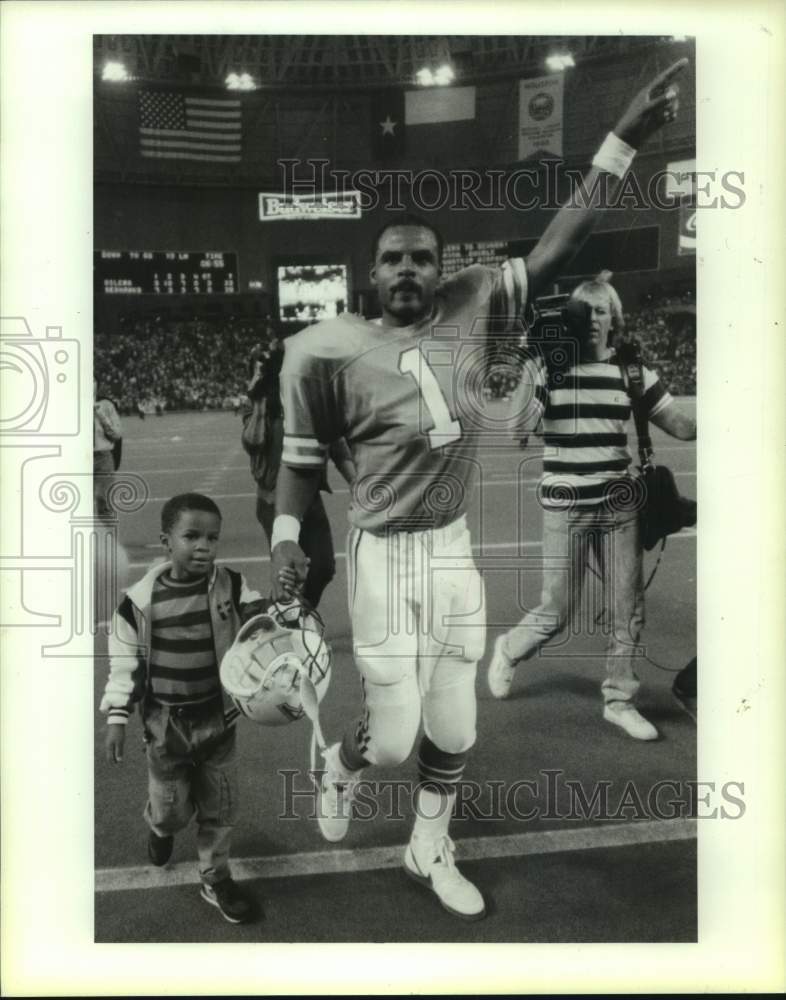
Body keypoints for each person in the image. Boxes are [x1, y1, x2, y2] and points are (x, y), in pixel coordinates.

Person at [271, 60, 687, 920]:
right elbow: (303, 463)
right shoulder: (322, 350)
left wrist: (625, 139)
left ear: (439, 265)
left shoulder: (473, 301)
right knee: (389, 739)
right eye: (394, 258)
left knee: (456, 727)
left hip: (451, 547)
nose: (411, 269)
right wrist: (282, 538)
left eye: (423, 256)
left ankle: (430, 845)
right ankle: (340, 765)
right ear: (370, 270)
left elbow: (560, 247)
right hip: (381, 552)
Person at [488, 275, 697, 740]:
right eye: (585, 310)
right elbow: (516, 433)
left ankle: (619, 699)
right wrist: (531, 360)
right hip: (566, 505)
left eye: (602, 309)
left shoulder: (630, 367)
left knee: (628, 606)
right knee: (557, 609)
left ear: (614, 317)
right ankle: (509, 648)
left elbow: (680, 426)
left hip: (620, 503)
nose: (594, 317)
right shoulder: (551, 365)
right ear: (571, 319)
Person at [100, 492, 266, 924]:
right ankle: (160, 827)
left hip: (219, 721)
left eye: (212, 538)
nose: (204, 546)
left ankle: (215, 877)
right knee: (171, 809)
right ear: (165, 542)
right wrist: (117, 716)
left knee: (221, 807)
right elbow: (125, 666)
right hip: (165, 727)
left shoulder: (232, 585)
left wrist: (282, 603)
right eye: (191, 536)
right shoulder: (136, 605)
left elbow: (261, 621)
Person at [241, 339, 355, 609]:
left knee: (324, 567)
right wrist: (258, 402)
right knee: (288, 572)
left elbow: (339, 449)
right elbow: (252, 442)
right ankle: (287, 626)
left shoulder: (312, 402)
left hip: (309, 499)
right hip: (272, 501)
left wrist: (360, 486)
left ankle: (300, 615)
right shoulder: (260, 406)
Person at [93, 379, 122, 517]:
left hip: (103, 456)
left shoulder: (106, 405)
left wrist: (100, 415)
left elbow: (117, 434)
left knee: (104, 503)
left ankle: (108, 537)